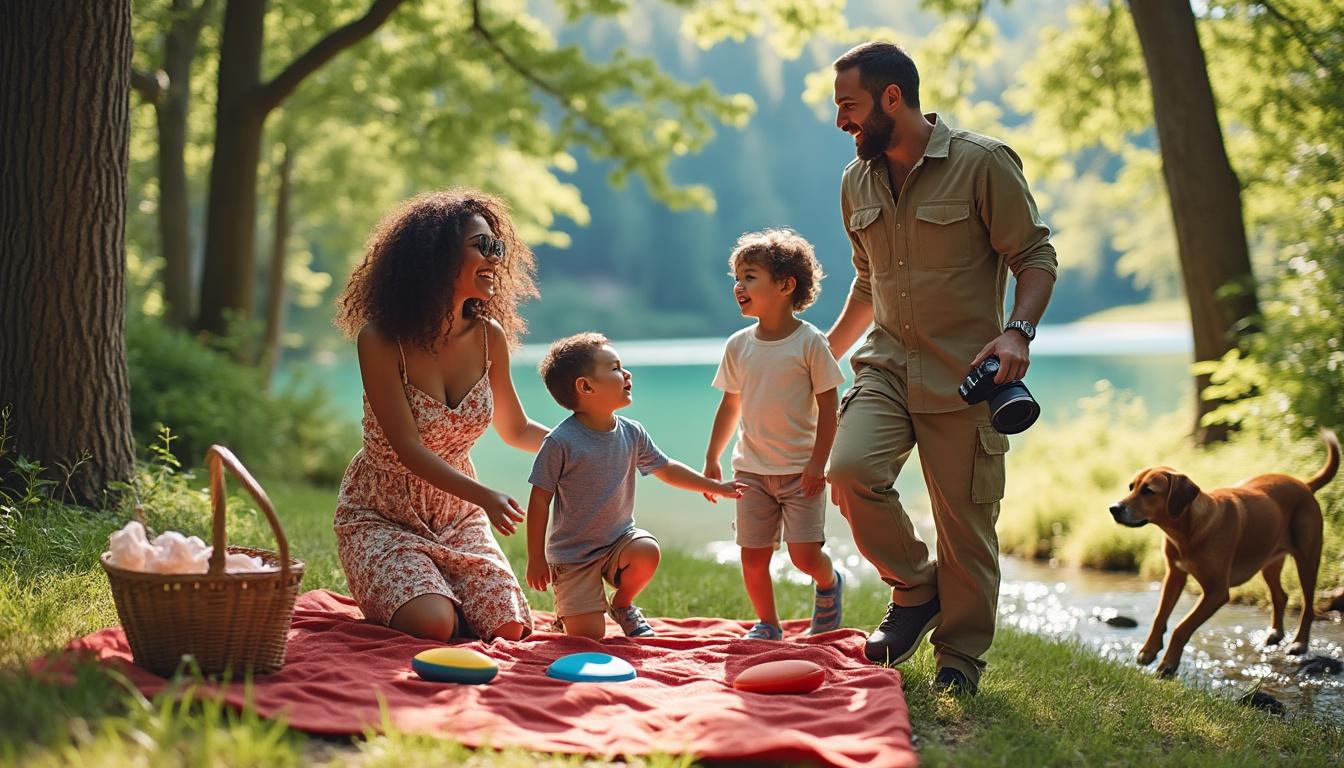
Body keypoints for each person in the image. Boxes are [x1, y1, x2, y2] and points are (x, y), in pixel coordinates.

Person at [825, 42, 1058, 696]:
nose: (841, 120)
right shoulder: (856, 181)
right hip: (885, 369)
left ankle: (958, 662)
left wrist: (1018, 331)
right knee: (848, 471)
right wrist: (820, 354)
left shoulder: (982, 164)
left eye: (849, 105)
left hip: (969, 379)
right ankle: (915, 590)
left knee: (966, 532)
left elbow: (1035, 257)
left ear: (891, 97)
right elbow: (868, 283)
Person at [332, 188, 550, 642]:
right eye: (481, 246)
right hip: (382, 515)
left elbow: (516, 429)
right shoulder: (380, 340)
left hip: (457, 518)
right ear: (436, 256)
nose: (494, 257)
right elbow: (407, 448)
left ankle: (440, 590)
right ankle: (420, 591)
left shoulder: (490, 337)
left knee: (509, 628)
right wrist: (487, 496)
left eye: (498, 247)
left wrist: (592, 444)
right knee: (435, 624)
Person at [525, 333, 746, 640]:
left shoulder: (632, 432)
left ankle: (623, 604)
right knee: (587, 638)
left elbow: (666, 468)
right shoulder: (560, 442)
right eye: (615, 368)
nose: (627, 374)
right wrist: (536, 557)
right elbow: (539, 501)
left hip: (619, 543)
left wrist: (713, 486)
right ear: (585, 387)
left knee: (646, 549)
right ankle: (570, 614)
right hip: (573, 557)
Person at [702, 229, 848, 641]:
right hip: (750, 471)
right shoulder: (738, 345)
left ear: (785, 286)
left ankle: (828, 581)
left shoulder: (810, 343)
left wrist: (819, 462)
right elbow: (730, 405)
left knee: (804, 555)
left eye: (749, 277)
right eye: (737, 277)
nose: (738, 286)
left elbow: (829, 406)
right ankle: (767, 623)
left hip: (801, 471)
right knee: (752, 557)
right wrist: (713, 457)